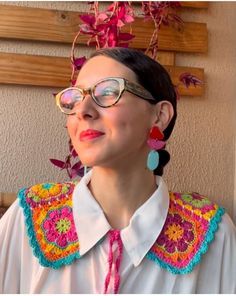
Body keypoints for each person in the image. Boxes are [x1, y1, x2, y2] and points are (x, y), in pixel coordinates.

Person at [0, 47, 235, 294]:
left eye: (109, 92)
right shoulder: (28, 218)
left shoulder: (213, 235)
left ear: (159, 115)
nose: (82, 110)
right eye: (75, 97)